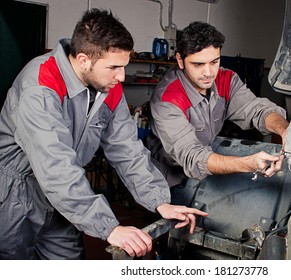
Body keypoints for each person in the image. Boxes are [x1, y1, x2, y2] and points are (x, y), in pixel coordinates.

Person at [0, 9, 207, 260]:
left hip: (69, 194)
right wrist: (109, 227)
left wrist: (159, 200)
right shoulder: (41, 85)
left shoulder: (109, 88)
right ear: (84, 59)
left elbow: (126, 149)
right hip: (17, 193)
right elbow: (55, 166)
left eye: (123, 66)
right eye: (114, 67)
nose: (120, 77)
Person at [146, 21, 291, 187]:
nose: (208, 73)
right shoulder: (168, 99)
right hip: (166, 178)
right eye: (198, 64)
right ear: (180, 60)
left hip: (204, 170)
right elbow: (193, 156)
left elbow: (256, 110)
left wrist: (284, 129)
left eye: (214, 62)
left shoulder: (226, 79)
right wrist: (246, 164)